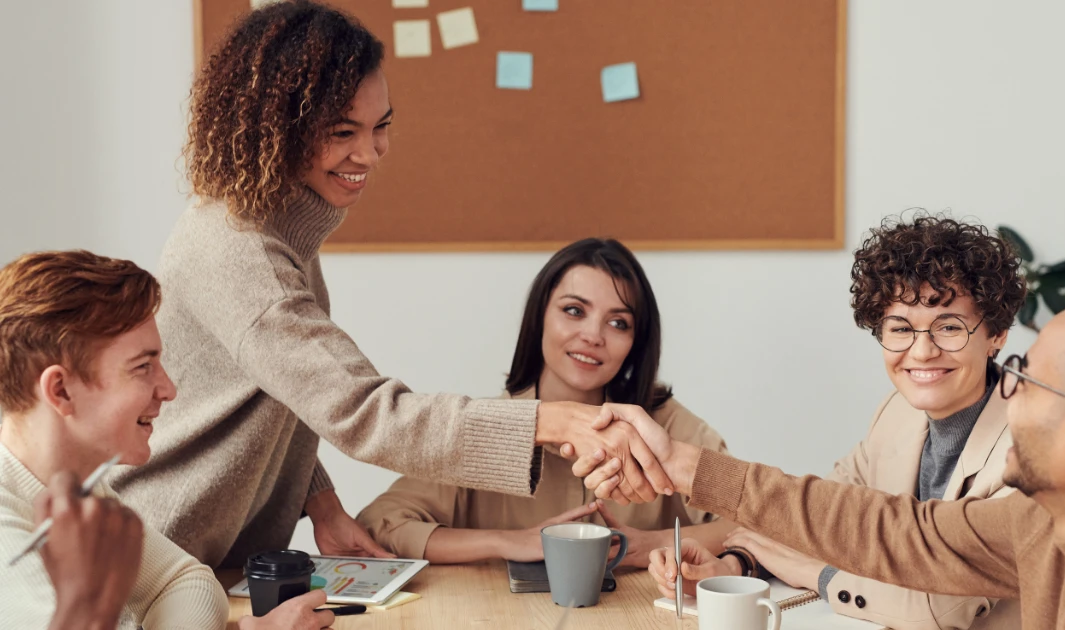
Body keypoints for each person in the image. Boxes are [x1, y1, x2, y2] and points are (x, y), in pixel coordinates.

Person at [109, 1, 668, 570]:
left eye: (381, 127)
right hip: (156, 560)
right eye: (343, 131)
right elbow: (366, 411)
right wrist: (545, 421)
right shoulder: (242, 252)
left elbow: (285, 391)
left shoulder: (275, 229)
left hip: (211, 563)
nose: (369, 153)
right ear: (278, 128)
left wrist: (320, 502)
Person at [586, 281, 1065, 629]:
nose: (1007, 392)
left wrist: (806, 570)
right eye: (900, 327)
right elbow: (887, 528)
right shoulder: (1044, 520)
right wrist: (688, 468)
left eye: (1025, 377)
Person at [649, 216, 1026, 629]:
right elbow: (822, 517)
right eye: (901, 328)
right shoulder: (896, 414)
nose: (921, 352)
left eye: (949, 327)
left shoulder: (1028, 447)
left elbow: (940, 607)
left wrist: (815, 574)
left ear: (998, 334)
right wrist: (738, 565)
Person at [0, 251, 332, 629]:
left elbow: (189, 581)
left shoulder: (81, 490)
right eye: (142, 366)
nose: (169, 389)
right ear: (60, 390)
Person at [357, 239, 732, 567]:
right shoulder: (485, 429)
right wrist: (510, 541)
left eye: (618, 323)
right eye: (574, 311)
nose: (593, 336)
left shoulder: (666, 426)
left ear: (637, 342)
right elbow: (380, 524)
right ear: (540, 318)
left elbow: (759, 523)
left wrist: (658, 543)